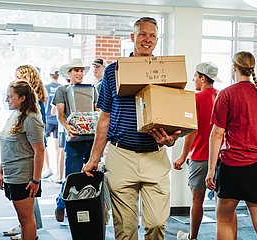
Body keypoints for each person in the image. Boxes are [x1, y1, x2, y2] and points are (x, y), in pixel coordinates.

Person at [82, 17, 180, 240]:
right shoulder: (113, 71)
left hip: (154, 156)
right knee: (125, 230)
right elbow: (105, 117)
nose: (148, 39)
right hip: (121, 155)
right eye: (143, 34)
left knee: (156, 223)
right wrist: (94, 158)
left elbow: (174, 115)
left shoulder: (164, 73)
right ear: (132, 37)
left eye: (153, 35)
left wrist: (172, 139)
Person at [205, 51, 257, 239]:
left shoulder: (226, 95)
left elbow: (217, 135)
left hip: (233, 166)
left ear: (234, 69)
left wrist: (211, 170)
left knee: (224, 220)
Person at [173, 62, 221, 240]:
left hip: (200, 156)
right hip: (220, 157)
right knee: (221, 201)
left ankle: (192, 237)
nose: (193, 79)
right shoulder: (221, 96)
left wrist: (182, 156)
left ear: (202, 78)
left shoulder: (196, 98)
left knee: (197, 200)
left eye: (195, 76)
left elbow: (192, 131)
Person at [0, 80, 45, 240]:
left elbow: (40, 151)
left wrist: (35, 180)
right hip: (12, 174)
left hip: (23, 177)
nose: (7, 100)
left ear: (22, 98)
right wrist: (1, 172)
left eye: (10, 97)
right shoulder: (15, 115)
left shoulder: (31, 119)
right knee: (23, 220)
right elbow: (7, 148)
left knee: (27, 220)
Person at [52, 58, 95, 222]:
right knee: (72, 175)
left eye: (81, 70)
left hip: (91, 140)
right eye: (76, 70)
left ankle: (85, 209)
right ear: (69, 73)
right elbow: (60, 113)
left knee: (91, 175)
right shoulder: (62, 90)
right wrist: (67, 126)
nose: (79, 73)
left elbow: (97, 110)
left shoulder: (91, 89)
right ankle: (62, 204)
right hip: (74, 141)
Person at [44, 67, 62, 181]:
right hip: (57, 120)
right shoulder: (61, 88)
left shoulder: (46, 87)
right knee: (57, 148)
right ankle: (57, 172)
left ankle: (48, 168)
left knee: (43, 145)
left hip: (47, 119)